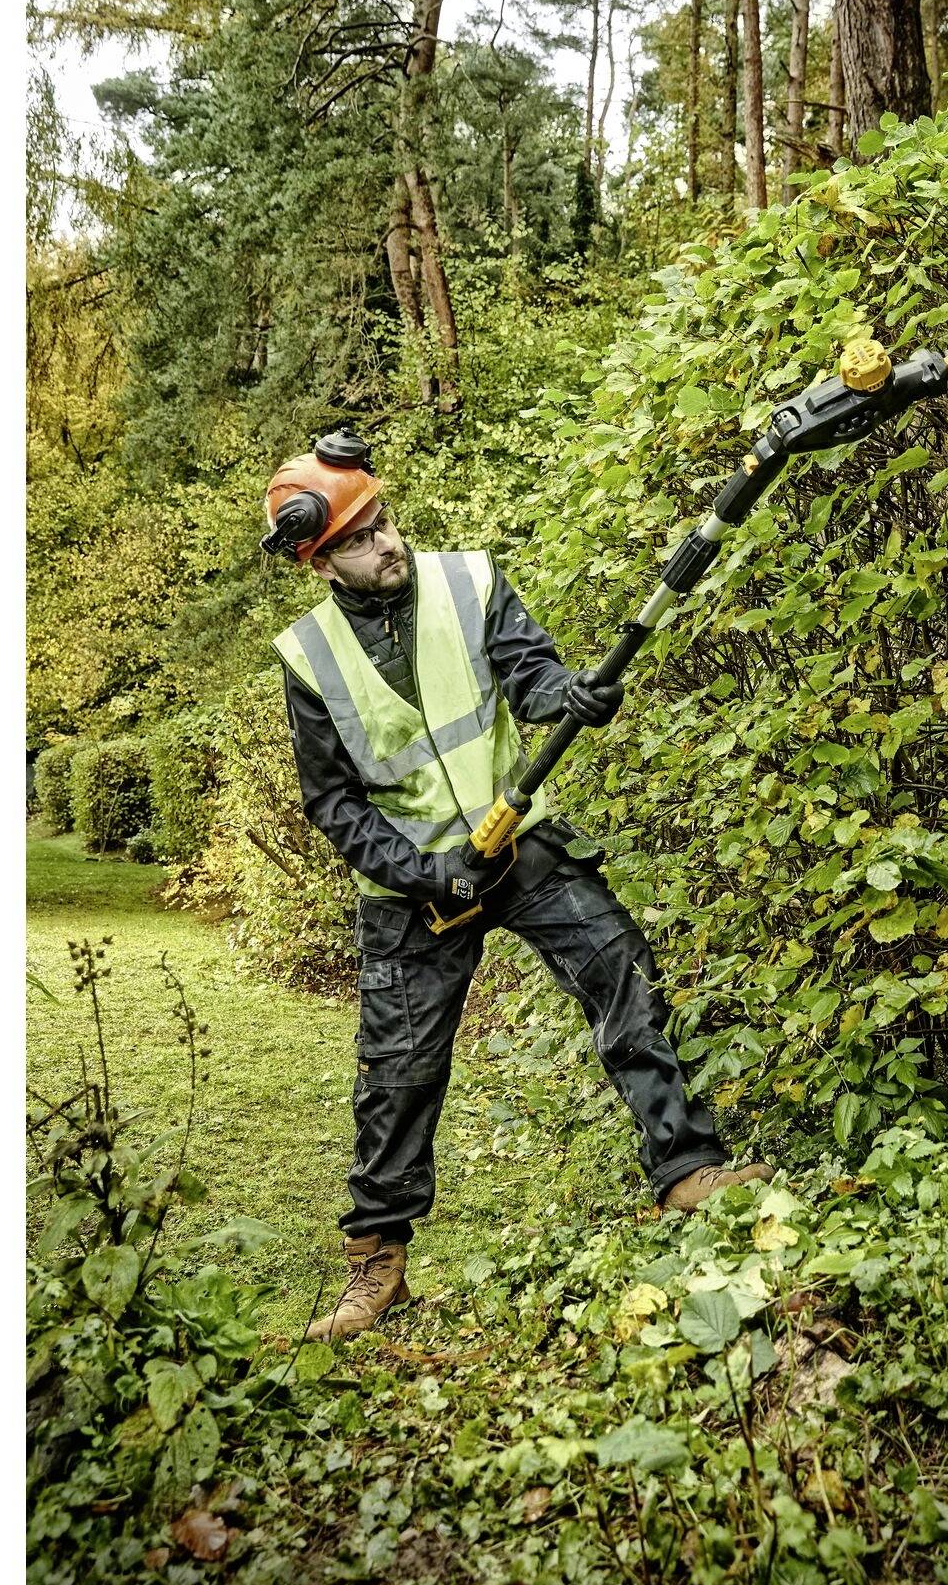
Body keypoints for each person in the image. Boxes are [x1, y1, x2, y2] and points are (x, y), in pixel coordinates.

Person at [264, 433, 771, 1342]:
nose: (389, 543)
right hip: (412, 888)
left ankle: (689, 1170)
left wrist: (567, 694)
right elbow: (332, 803)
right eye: (363, 537)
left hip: (517, 846)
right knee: (398, 1073)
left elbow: (528, 673)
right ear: (320, 560)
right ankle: (377, 1265)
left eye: (385, 521)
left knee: (620, 968)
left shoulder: (466, 582)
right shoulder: (309, 656)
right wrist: (425, 873)